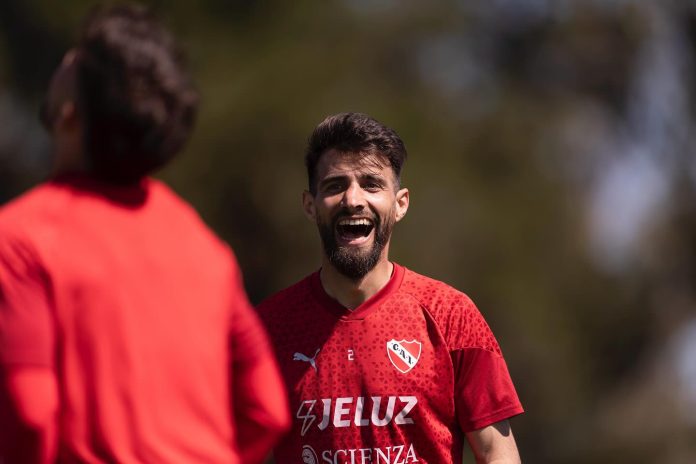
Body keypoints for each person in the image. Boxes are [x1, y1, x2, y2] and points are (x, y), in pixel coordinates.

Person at [0, 5, 289, 463]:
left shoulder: (21, 239)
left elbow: (31, 414)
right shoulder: (204, 246)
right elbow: (267, 410)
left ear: (69, 115)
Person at [257, 112, 524, 464]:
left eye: (371, 184)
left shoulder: (452, 316)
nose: (353, 199)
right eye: (335, 185)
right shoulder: (268, 328)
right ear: (310, 205)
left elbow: (496, 453)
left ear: (400, 204)